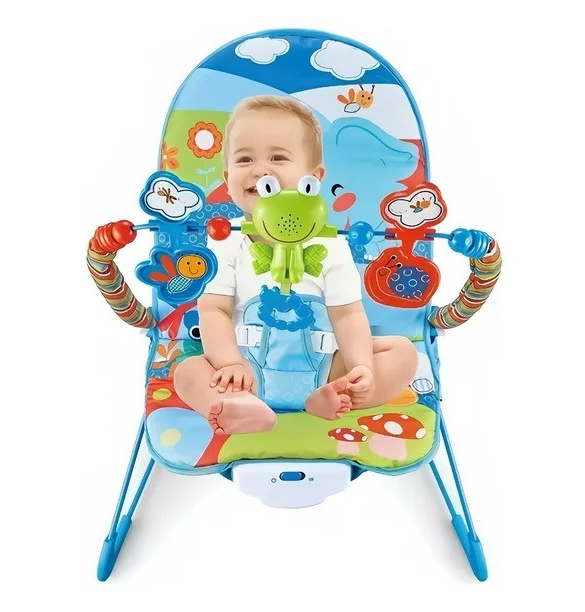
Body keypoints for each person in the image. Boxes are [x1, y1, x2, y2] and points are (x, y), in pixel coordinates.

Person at [173, 95, 418, 434]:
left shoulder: (331, 245)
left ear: (314, 177)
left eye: (277, 157)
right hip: (246, 372)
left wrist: (360, 366)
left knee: (402, 353)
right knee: (187, 372)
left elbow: (347, 315)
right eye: (245, 159)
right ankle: (243, 407)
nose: (260, 170)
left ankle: (335, 396)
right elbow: (214, 310)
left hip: (325, 370)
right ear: (228, 179)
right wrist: (230, 363)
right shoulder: (225, 240)